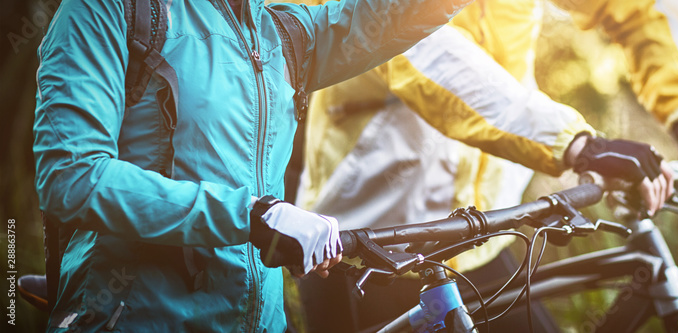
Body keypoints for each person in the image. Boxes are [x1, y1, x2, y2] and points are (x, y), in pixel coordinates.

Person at [291, 0, 678, 330]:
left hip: (482, 241)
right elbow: (425, 57)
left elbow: (633, 11)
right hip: (368, 250)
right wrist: (578, 145)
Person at [32, 0, 477, 331]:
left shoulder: (282, 32)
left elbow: (392, 13)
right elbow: (74, 179)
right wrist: (252, 217)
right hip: (138, 317)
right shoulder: (108, 11)